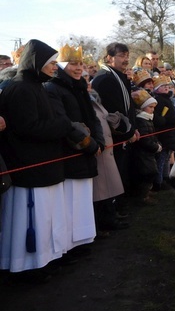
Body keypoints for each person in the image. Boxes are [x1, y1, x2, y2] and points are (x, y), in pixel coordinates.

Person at [0, 39, 84, 280]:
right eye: (51, 63)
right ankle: (27, 267)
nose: (55, 67)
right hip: (30, 167)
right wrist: (64, 125)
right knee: (32, 220)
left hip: (44, 165)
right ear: (36, 63)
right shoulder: (21, 89)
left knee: (46, 219)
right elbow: (28, 127)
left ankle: (42, 260)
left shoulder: (35, 86)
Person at [45, 44, 101, 257]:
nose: (78, 69)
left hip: (87, 152)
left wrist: (98, 140)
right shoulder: (53, 88)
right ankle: (69, 244)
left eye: (80, 64)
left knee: (82, 200)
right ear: (61, 65)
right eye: (73, 64)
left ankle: (83, 238)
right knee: (70, 202)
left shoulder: (79, 86)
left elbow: (92, 117)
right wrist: (88, 144)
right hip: (71, 153)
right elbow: (65, 122)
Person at [91, 43, 140, 217]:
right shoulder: (105, 78)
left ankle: (118, 206)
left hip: (124, 134)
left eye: (127, 55)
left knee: (121, 172)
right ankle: (111, 211)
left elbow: (128, 107)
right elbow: (114, 111)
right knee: (112, 176)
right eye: (121, 55)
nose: (126, 59)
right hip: (114, 136)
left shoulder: (118, 76)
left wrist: (132, 129)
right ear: (110, 58)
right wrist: (127, 132)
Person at [130, 89, 162, 205]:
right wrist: (155, 147)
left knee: (151, 172)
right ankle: (143, 196)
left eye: (153, 107)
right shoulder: (141, 120)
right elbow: (144, 139)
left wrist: (157, 144)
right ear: (143, 108)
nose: (153, 110)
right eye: (150, 107)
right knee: (147, 173)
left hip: (148, 154)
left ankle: (147, 192)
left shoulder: (148, 119)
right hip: (143, 154)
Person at [151, 74, 175, 192]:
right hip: (163, 134)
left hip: (170, 133)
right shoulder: (158, 100)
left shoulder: (167, 99)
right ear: (157, 88)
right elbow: (158, 118)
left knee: (167, 157)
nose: (167, 88)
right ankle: (159, 181)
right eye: (163, 86)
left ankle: (166, 177)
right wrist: (173, 120)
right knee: (162, 158)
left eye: (167, 86)